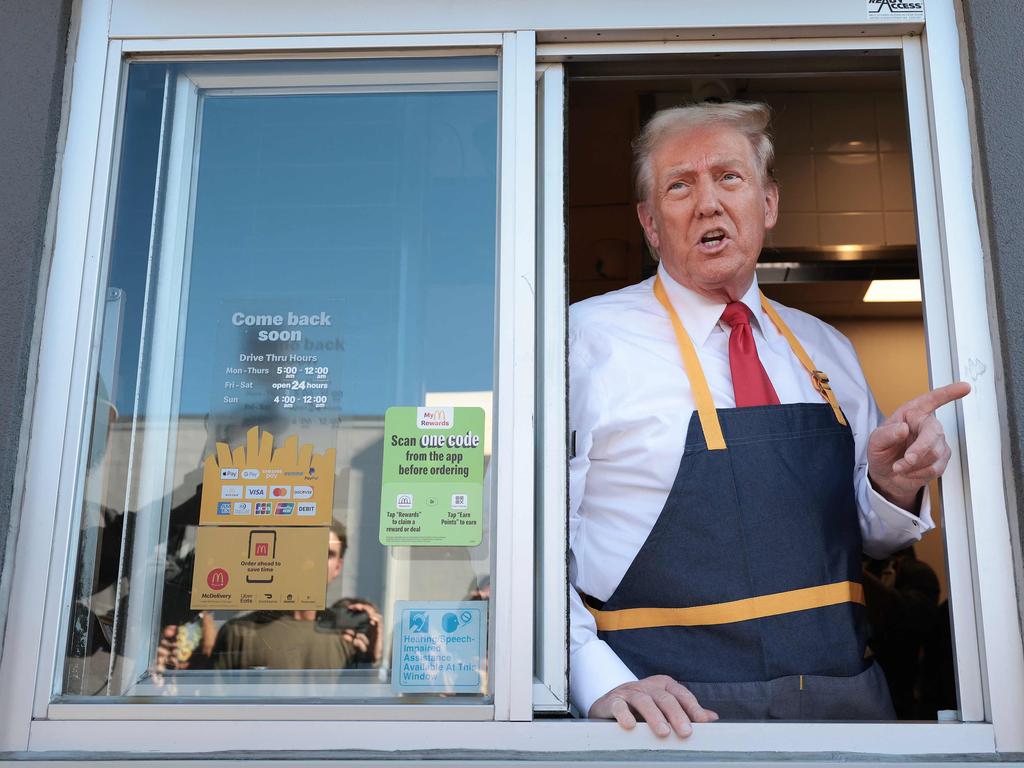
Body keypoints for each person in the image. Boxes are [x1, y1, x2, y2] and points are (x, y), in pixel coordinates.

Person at [568, 101, 969, 736]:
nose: (707, 204)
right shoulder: (580, 343)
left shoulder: (827, 348)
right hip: (670, 726)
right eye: (679, 185)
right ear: (649, 222)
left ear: (769, 204)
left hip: (846, 716)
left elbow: (872, 537)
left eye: (729, 177)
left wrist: (895, 484)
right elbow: (524, 548)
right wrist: (594, 675)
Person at [211, 520, 382, 670]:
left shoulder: (349, 639)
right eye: (308, 550)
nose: (315, 561)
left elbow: (362, 703)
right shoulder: (240, 633)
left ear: (337, 567)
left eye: (327, 554)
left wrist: (370, 663)